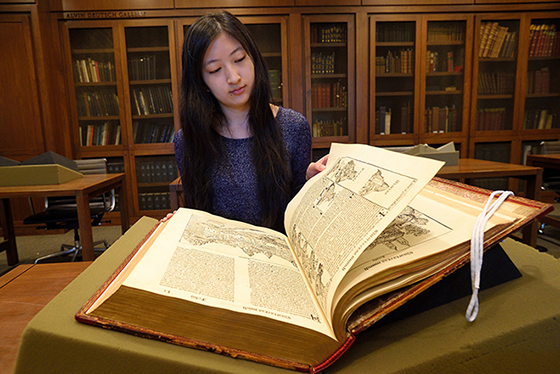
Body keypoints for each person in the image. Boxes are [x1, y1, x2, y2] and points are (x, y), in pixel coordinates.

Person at [174, 10, 327, 233]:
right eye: (215, 69)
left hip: (280, 259)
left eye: (239, 59)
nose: (233, 77)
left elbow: (298, 214)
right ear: (202, 81)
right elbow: (197, 215)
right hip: (221, 260)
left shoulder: (293, 127)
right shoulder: (189, 140)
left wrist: (310, 183)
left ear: (253, 57)